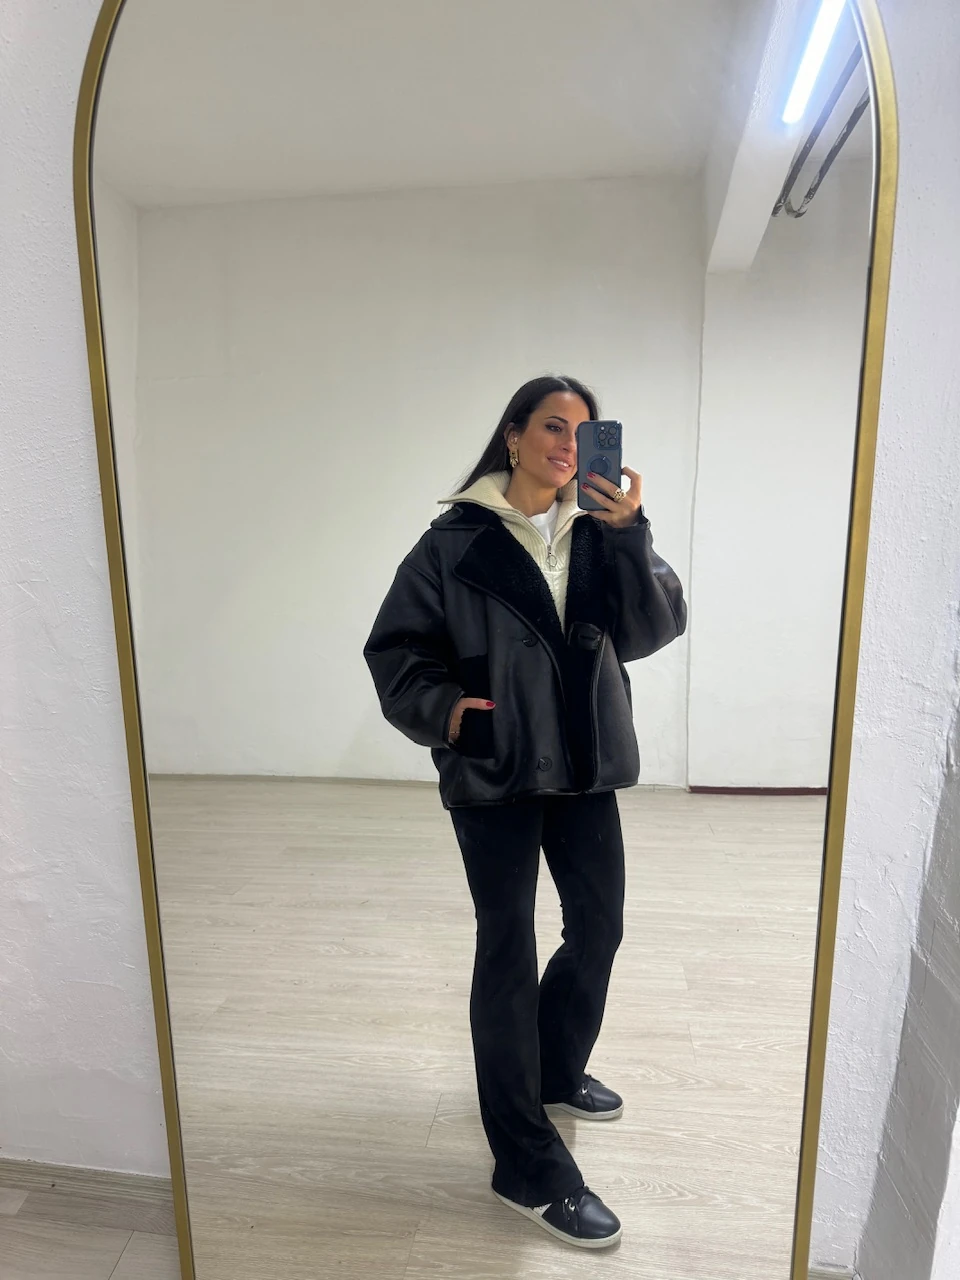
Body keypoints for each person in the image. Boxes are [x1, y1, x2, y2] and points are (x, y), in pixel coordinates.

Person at [364, 375, 687, 1249]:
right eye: (552, 426)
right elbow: (395, 650)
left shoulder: (599, 531)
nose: (568, 446)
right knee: (507, 945)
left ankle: (551, 1069)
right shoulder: (454, 541)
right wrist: (448, 713)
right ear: (513, 436)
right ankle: (525, 1165)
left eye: (584, 432)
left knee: (600, 927)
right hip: (498, 766)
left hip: (584, 767)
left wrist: (630, 534)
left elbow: (653, 630)